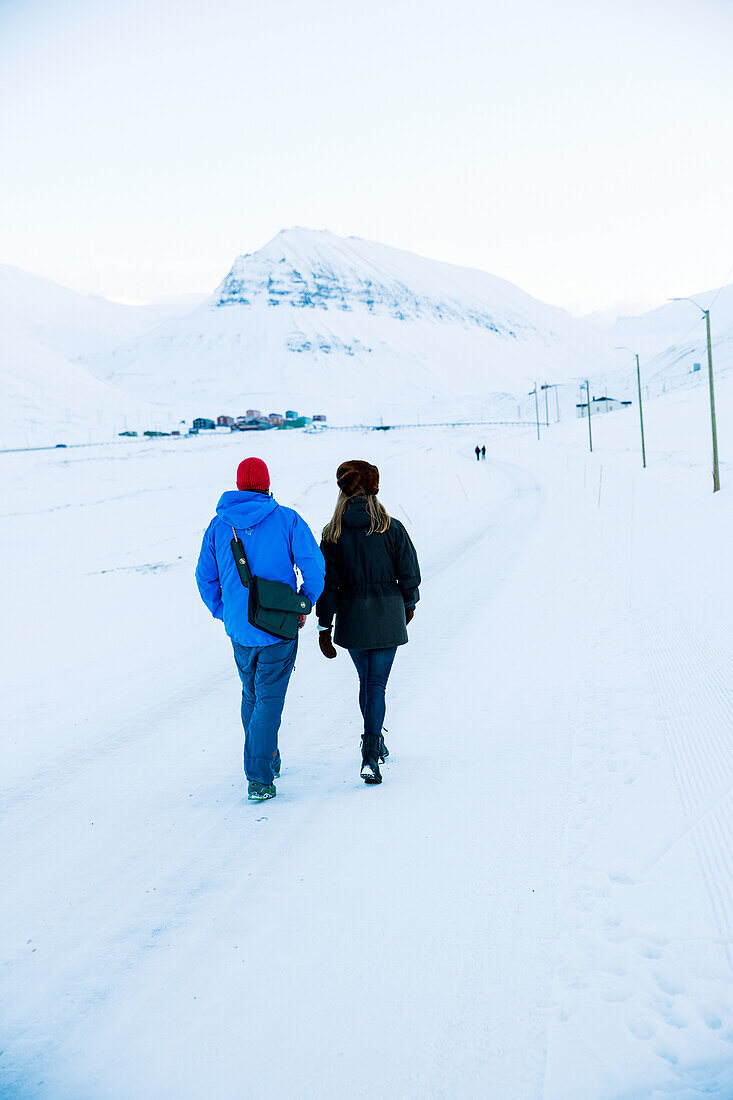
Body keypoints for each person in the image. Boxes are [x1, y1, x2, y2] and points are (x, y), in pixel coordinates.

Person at [196, 457, 325, 802]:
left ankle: (267, 756)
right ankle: (259, 777)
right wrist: (305, 602)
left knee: (251, 694)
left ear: (238, 486)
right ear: (268, 484)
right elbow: (314, 566)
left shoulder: (219, 526)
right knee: (268, 698)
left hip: (240, 630)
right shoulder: (287, 519)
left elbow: (204, 578)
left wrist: (225, 612)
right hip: (279, 627)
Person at [316, 460, 421, 785]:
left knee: (368, 683)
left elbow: (327, 585)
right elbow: (410, 576)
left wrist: (325, 626)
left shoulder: (332, 533)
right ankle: (370, 753)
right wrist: (408, 606)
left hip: (352, 617)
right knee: (376, 685)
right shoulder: (392, 527)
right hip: (388, 614)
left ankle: (373, 743)